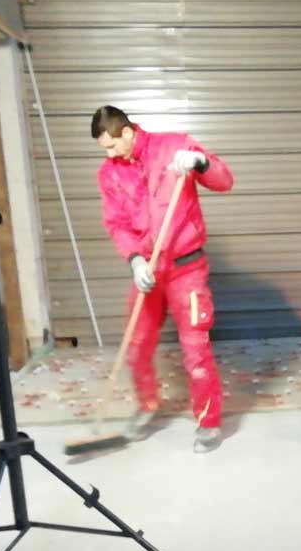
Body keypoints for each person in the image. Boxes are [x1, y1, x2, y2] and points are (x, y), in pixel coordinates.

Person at [92, 105, 234, 453]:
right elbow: (116, 223)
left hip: (187, 269)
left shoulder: (174, 147)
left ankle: (208, 423)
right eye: (104, 148)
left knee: (195, 350)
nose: (109, 154)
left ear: (127, 132)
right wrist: (135, 260)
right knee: (137, 345)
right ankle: (147, 405)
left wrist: (200, 163)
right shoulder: (109, 173)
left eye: (112, 145)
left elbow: (224, 181)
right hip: (148, 272)